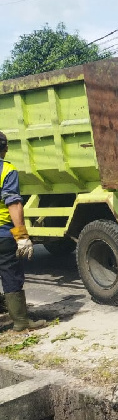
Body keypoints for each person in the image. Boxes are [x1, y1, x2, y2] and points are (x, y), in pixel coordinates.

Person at [0, 131, 46, 332]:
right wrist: (21, 237)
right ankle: (20, 322)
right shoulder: (6, 170)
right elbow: (13, 204)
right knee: (11, 274)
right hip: (3, 234)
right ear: (5, 148)